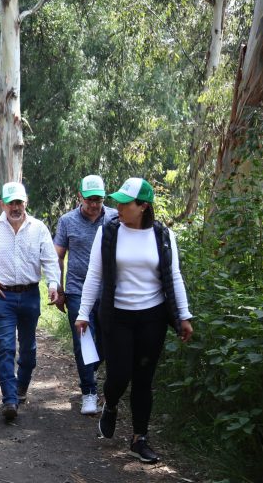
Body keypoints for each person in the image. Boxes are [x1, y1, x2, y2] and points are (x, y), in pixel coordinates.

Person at [75, 177, 194, 464]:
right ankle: (111, 404)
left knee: (143, 379)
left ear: (143, 206)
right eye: (117, 202)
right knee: (118, 376)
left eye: (125, 203)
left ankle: (139, 439)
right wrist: (83, 313)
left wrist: (184, 315)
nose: (118, 208)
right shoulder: (108, 232)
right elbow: (94, 275)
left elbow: (174, 276)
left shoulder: (163, 235)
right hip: (117, 316)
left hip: (152, 317)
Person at [0, 182, 60, 419]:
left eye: (19, 203)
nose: (15, 207)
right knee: (5, 347)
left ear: (26, 202)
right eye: (10, 203)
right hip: (2, 297)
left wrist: (53, 285)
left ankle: (21, 386)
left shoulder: (39, 228)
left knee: (28, 349)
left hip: (30, 295)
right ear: (2, 204)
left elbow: (50, 261)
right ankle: (9, 399)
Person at [53, 175, 117, 415]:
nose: (94, 204)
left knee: (105, 343)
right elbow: (58, 256)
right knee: (83, 341)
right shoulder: (67, 221)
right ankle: (89, 392)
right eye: (89, 199)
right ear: (79, 196)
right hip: (78, 290)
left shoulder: (115, 218)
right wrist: (59, 289)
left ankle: (90, 370)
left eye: (98, 200)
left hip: (109, 291)